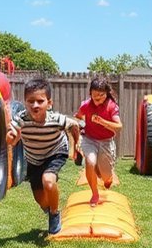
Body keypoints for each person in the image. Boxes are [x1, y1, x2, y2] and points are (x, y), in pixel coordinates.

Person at [7, 77, 81, 234]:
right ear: (25, 102)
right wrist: (13, 137)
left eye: (40, 101)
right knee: (41, 200)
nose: (35, 105)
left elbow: (74, 125)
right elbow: (11, 140)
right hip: (34, 159)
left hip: (55, 151)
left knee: (48, 180)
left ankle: (55, 214)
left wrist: (77, 147)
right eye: (30, 101)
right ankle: (49, 208)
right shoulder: (20, 119)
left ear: (49, 103)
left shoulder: (55, 119)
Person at [75, 77, 122, 205]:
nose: (98, 98)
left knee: (105, 177)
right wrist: (81, 124)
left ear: (106, 94)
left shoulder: (111, 106)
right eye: (95, 95)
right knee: (90, 161)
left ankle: (107, 176)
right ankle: (95, 194)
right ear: (90, 93)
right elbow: (78, 116)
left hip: (106, 141)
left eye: (101, 95)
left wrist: (102, 121)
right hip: (89, 139)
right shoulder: (86, 105)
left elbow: (119, 126)